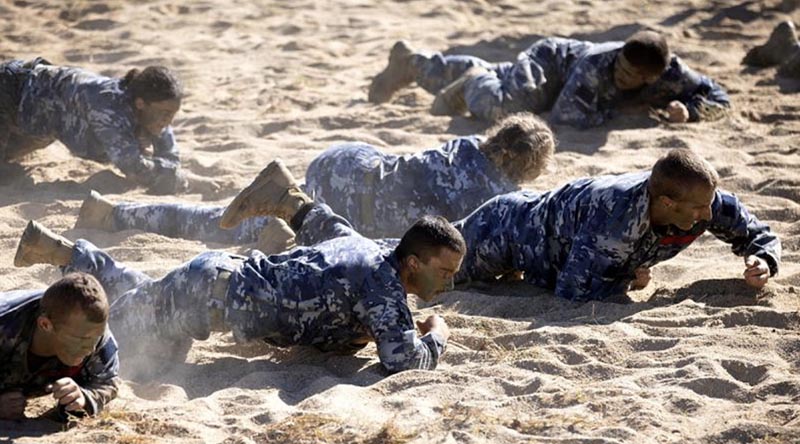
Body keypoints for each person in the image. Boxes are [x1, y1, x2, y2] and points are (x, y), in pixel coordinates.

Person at [14, 163, 466, 374]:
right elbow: (402, 361)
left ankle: (62, 253)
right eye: (444, 272)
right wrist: (437, 333)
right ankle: (67, 260)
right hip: (206, 298)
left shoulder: (364, 249)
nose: (450, 282)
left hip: (214, 283)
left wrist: (292, 203)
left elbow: (323, 224)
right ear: (412, 262)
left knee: (149, 295)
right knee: (111, 337)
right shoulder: (384, 286)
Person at [75, 113, 554, 241]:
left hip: (345, 160)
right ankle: (115, 215)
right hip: (354, 204)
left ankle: (115, 211)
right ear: (520, 162)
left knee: (228, 218)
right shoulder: (491, 191)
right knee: (231, 229)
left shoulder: (468, 147)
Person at [447, 149, 781, 302]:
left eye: (710, 203)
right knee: (427, 264)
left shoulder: (702, 200)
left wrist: (763, 261)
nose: (709, 215)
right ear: (666, 203)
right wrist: (627, 277)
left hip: (549, 245)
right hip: (507, 230)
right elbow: (573, 291)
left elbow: (758, 234)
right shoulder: (616, 218)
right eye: (699, 208)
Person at [368, 30, 730, 128]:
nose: (621, 76)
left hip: (558, 83)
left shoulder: (673, 73)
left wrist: (692, 112)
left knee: (507, 80)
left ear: (656, 76)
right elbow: (567, 116)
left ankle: (413, 63)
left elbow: (719, 98)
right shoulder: (596, 64)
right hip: (551, 62)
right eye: (620, 67)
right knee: (508, 107)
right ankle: (473, 79)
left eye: (633, 76)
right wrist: (627, 109)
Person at [0, 58, 216, 194]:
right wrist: (187, 181)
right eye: (165, 113)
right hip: (9, 94)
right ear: (141, 103)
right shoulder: (108, 108)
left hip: (32, 120)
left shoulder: (151, 111)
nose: (168, 121)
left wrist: (175, 174)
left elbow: (169, 157)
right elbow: (134, 167)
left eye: (173, 114)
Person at [0, 273, 120, 421]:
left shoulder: (93, 331)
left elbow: (107, 382)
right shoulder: (6, 325)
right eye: (80, 339)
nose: (90, 349)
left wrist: (84, 398)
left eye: (96, 338)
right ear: (45, 325)